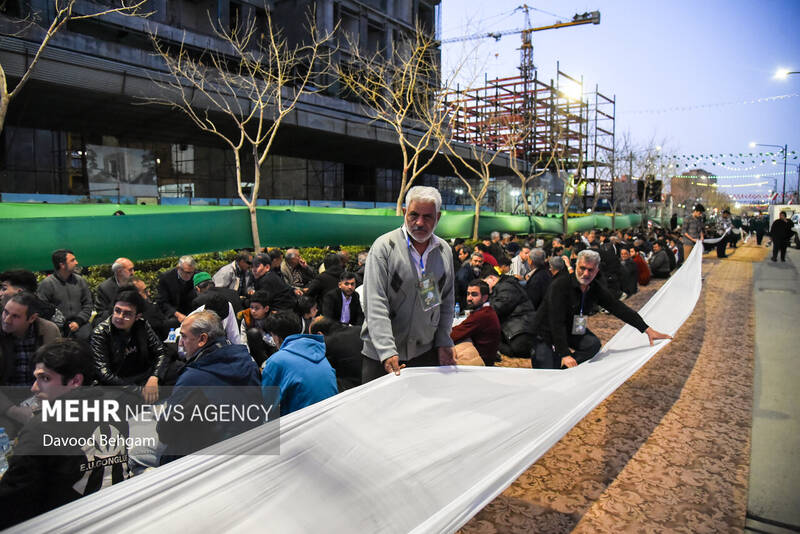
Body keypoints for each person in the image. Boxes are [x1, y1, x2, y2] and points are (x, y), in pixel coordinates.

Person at [0, 340, 130, 529]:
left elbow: (12, 503)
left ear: (75, 381)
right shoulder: (115, 409)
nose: (34, 388)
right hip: (118, 516)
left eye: (45, 379)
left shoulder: (41, 427)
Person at [361, 186, 455, 381]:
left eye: (427, 217)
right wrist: (386, 350)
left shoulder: (443, 251)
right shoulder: (384, 248)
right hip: (382, 357)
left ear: (438, 217)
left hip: (424, 353)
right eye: (414, 215)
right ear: (404, 212)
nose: (419, 222)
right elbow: (375, 302)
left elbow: (445, 301)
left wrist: (444, 340)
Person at [532, 250, 671, 369]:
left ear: (597, 270)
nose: (585, 273)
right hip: (545, 331)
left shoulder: (594, 287)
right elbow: (556, 321)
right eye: (582, 268)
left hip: (571, 327)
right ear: (576, 266)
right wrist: (565, 353)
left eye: (590, 270)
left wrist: (647, 329)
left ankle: (566, 372)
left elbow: (618, 308)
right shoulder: (560, 285)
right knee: (547, 371)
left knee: (592, 344)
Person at [158, 311, 262, 464]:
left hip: (207, 461)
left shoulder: (192, 378)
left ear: (202, 339)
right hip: (250, 450)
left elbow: (164, 432)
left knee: (139, 452)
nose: (180, 343)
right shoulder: (249, 363)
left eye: (184, 337)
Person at [90, 286, 172, 403]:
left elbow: (161, 351)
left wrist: (154, 377)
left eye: (127, 314)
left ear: (137, 316)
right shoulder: (100, 333)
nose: (120, 317)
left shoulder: (142, 325)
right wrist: (139, 390)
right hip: (117, 383)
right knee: (122, 400)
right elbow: (104, 373)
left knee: (177, 370)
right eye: (117, 310)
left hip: (142, 375)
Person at [0, 292, 62, 435]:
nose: (7, 320)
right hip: (4, 399)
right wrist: (13, 410)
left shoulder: (49, 331)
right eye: (5, 312)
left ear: (32, 318)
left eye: (15, 316)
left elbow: (58, 371)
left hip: (38, 397)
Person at [261, 312, 337, 416]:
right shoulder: (319, 352)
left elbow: (267, 409)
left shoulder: (276, 361)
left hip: (302, 422)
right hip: (332, 416)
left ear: (277, 337)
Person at [37, 249, 93, 340]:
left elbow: (88, 304)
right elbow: (42, 310)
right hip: (57, 329)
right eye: (72, 260)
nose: (76, 262)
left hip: (81, 325)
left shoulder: (80, 281)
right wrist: (60, 323)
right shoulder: (47, 284)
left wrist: (78, 321)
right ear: (62, 265)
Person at [483, 271, 536, 359]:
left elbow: (501, 305)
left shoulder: (506, 286)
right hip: (519, 327)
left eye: (485, 283)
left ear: (492, 278)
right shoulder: (505, 285)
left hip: (520, 329)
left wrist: (482, 312)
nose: (485, 288)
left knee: (515, 351)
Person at [450, 280, 501, 366]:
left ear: (484, 298)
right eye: (468, 294)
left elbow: (454, 335)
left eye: (474, 295)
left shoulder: (482, 315)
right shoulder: (487, 311)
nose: (469, 298)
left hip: (482, 362)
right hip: (487, 358)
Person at [309, 316, 362, 392]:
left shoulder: (327, 344)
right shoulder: (359, 330)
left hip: (350, 389)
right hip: (373, 378)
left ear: (319, 334)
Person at [155, 255, 197, 327]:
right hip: (173, 312)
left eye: (191, 272)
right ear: (178, 268)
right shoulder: (166, 278)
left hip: (191, 311)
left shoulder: (196, 275)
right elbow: (162, 302)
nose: (189, 276)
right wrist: (177, 314)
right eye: (186, 272)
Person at [238, 289, 275, 367]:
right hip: (255, 351)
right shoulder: (247, 318)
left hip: (271, 349)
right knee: (253, 333)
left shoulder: (273, 319)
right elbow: (243, 339)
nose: (253, 311)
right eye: (251, 307)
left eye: (257, 308)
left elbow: (275, 343)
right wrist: (246, 356)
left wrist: (262, 334)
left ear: (266, 309)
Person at [93, 257, 135, 326]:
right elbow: (101, 313)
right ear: (119, 271)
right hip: (113, 322)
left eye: (133, 269)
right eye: (130, 270)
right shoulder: (104, 288)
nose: (133, 273)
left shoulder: (136, 284)